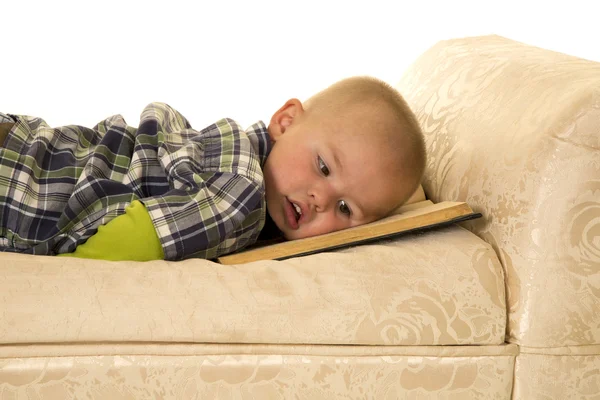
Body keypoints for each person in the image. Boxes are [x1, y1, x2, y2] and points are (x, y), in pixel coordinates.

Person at [0, 76, 426, 261]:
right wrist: (59, 277)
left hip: (31, 144)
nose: (320, 200)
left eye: (347, 209)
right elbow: (138, 237)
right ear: (286, 121)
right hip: (23, 185)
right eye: (323, 167)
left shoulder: (232, 156)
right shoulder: (242, 196)